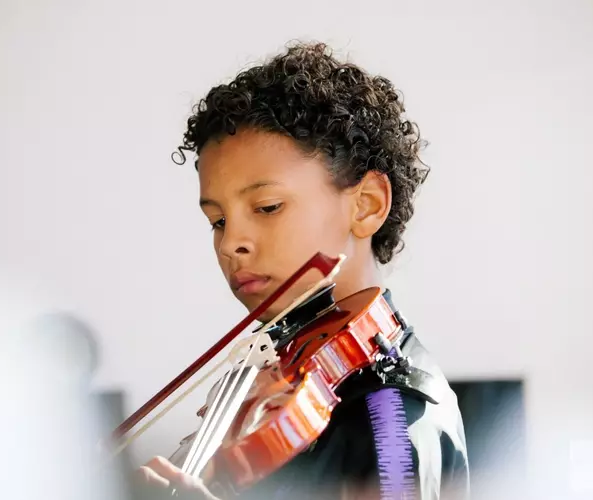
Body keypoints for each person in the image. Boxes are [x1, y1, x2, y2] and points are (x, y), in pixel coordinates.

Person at [132, 41, 469, 499]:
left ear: (367, 205)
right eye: (218, 221)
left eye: (267, 207)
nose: (231, 243)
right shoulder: (280, 383)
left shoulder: (392, 418)